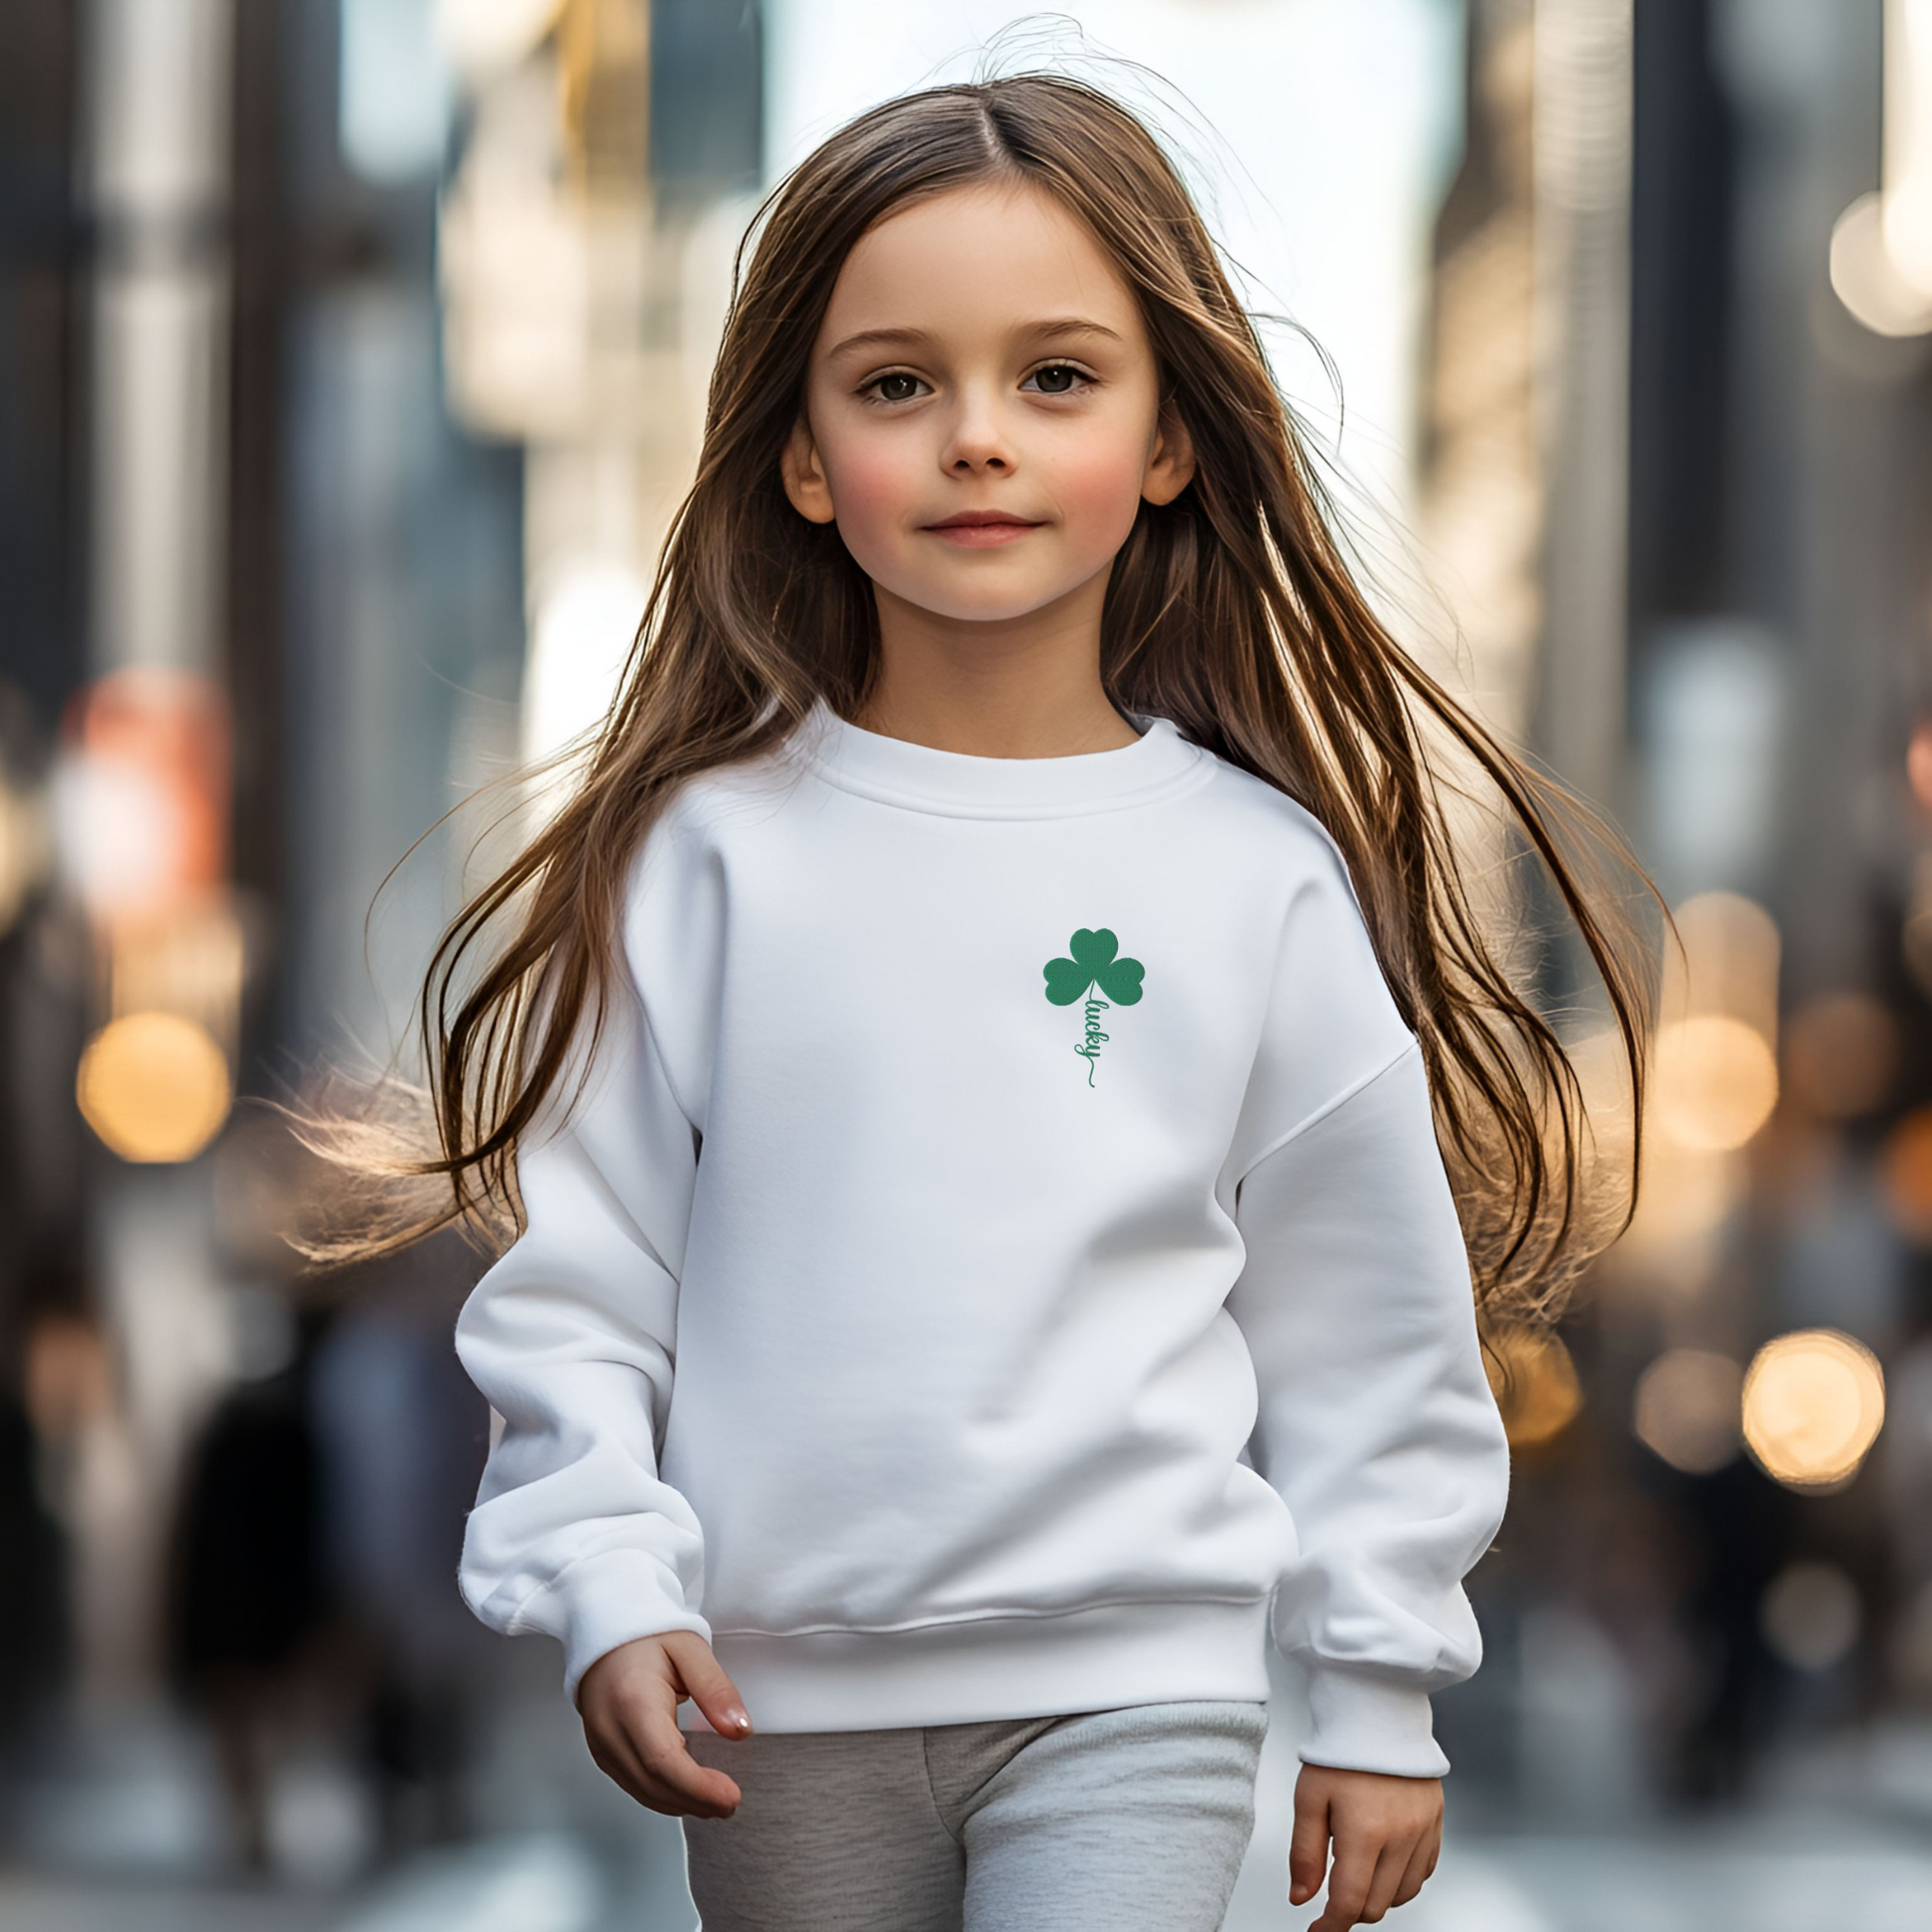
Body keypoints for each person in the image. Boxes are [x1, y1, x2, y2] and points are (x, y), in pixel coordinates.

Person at [327, 73, 1656, 1932]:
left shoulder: (1252, 875)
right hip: (768, 1704)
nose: (975, 439)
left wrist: (1376, 1680)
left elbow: (1370, 1317)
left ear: (1169, 439)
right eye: (894, 385)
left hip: (1143, 1688)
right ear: (800, 459)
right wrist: (610, 1578)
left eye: (1054, 377)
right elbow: (585, 1285)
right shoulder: (703, 861)